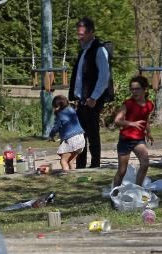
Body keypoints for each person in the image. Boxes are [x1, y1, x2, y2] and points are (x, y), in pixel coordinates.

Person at [68, 17, 112, 169]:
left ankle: (95, 165)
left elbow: (104, 76)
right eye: (78, 34)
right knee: (80, 135)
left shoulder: (99, 50)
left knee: (92, 133)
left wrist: (94, 97)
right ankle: (81, 165)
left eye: (82, 34)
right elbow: (80, 76)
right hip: (82, 100)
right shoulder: (84, 50)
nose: (79, 37)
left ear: (91, 33)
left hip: (93, 100)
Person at [111, 76, 155, 188]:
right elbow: (117, 120)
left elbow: (146, 120)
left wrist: (148, 133)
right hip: (125, 140)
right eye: (132, 89)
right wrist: (132, 123)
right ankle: (114, 193)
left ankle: (137, 189)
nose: (134, 91)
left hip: (139, 140)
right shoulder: (128, 104)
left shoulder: (150, 104)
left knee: (145, 164)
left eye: (137, 89)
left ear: (145, 89)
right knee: (122, 171)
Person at [47, 95, 85, 171]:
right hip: (81, 138)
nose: (54, 109)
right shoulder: (71, 110)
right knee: (70, 161)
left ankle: (66, 177)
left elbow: (56, 128)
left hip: (72, 140)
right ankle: (73, 177)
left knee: (63, 161)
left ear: (58, 106)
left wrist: (51, 136)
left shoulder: (60, 115)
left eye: (54, 107)